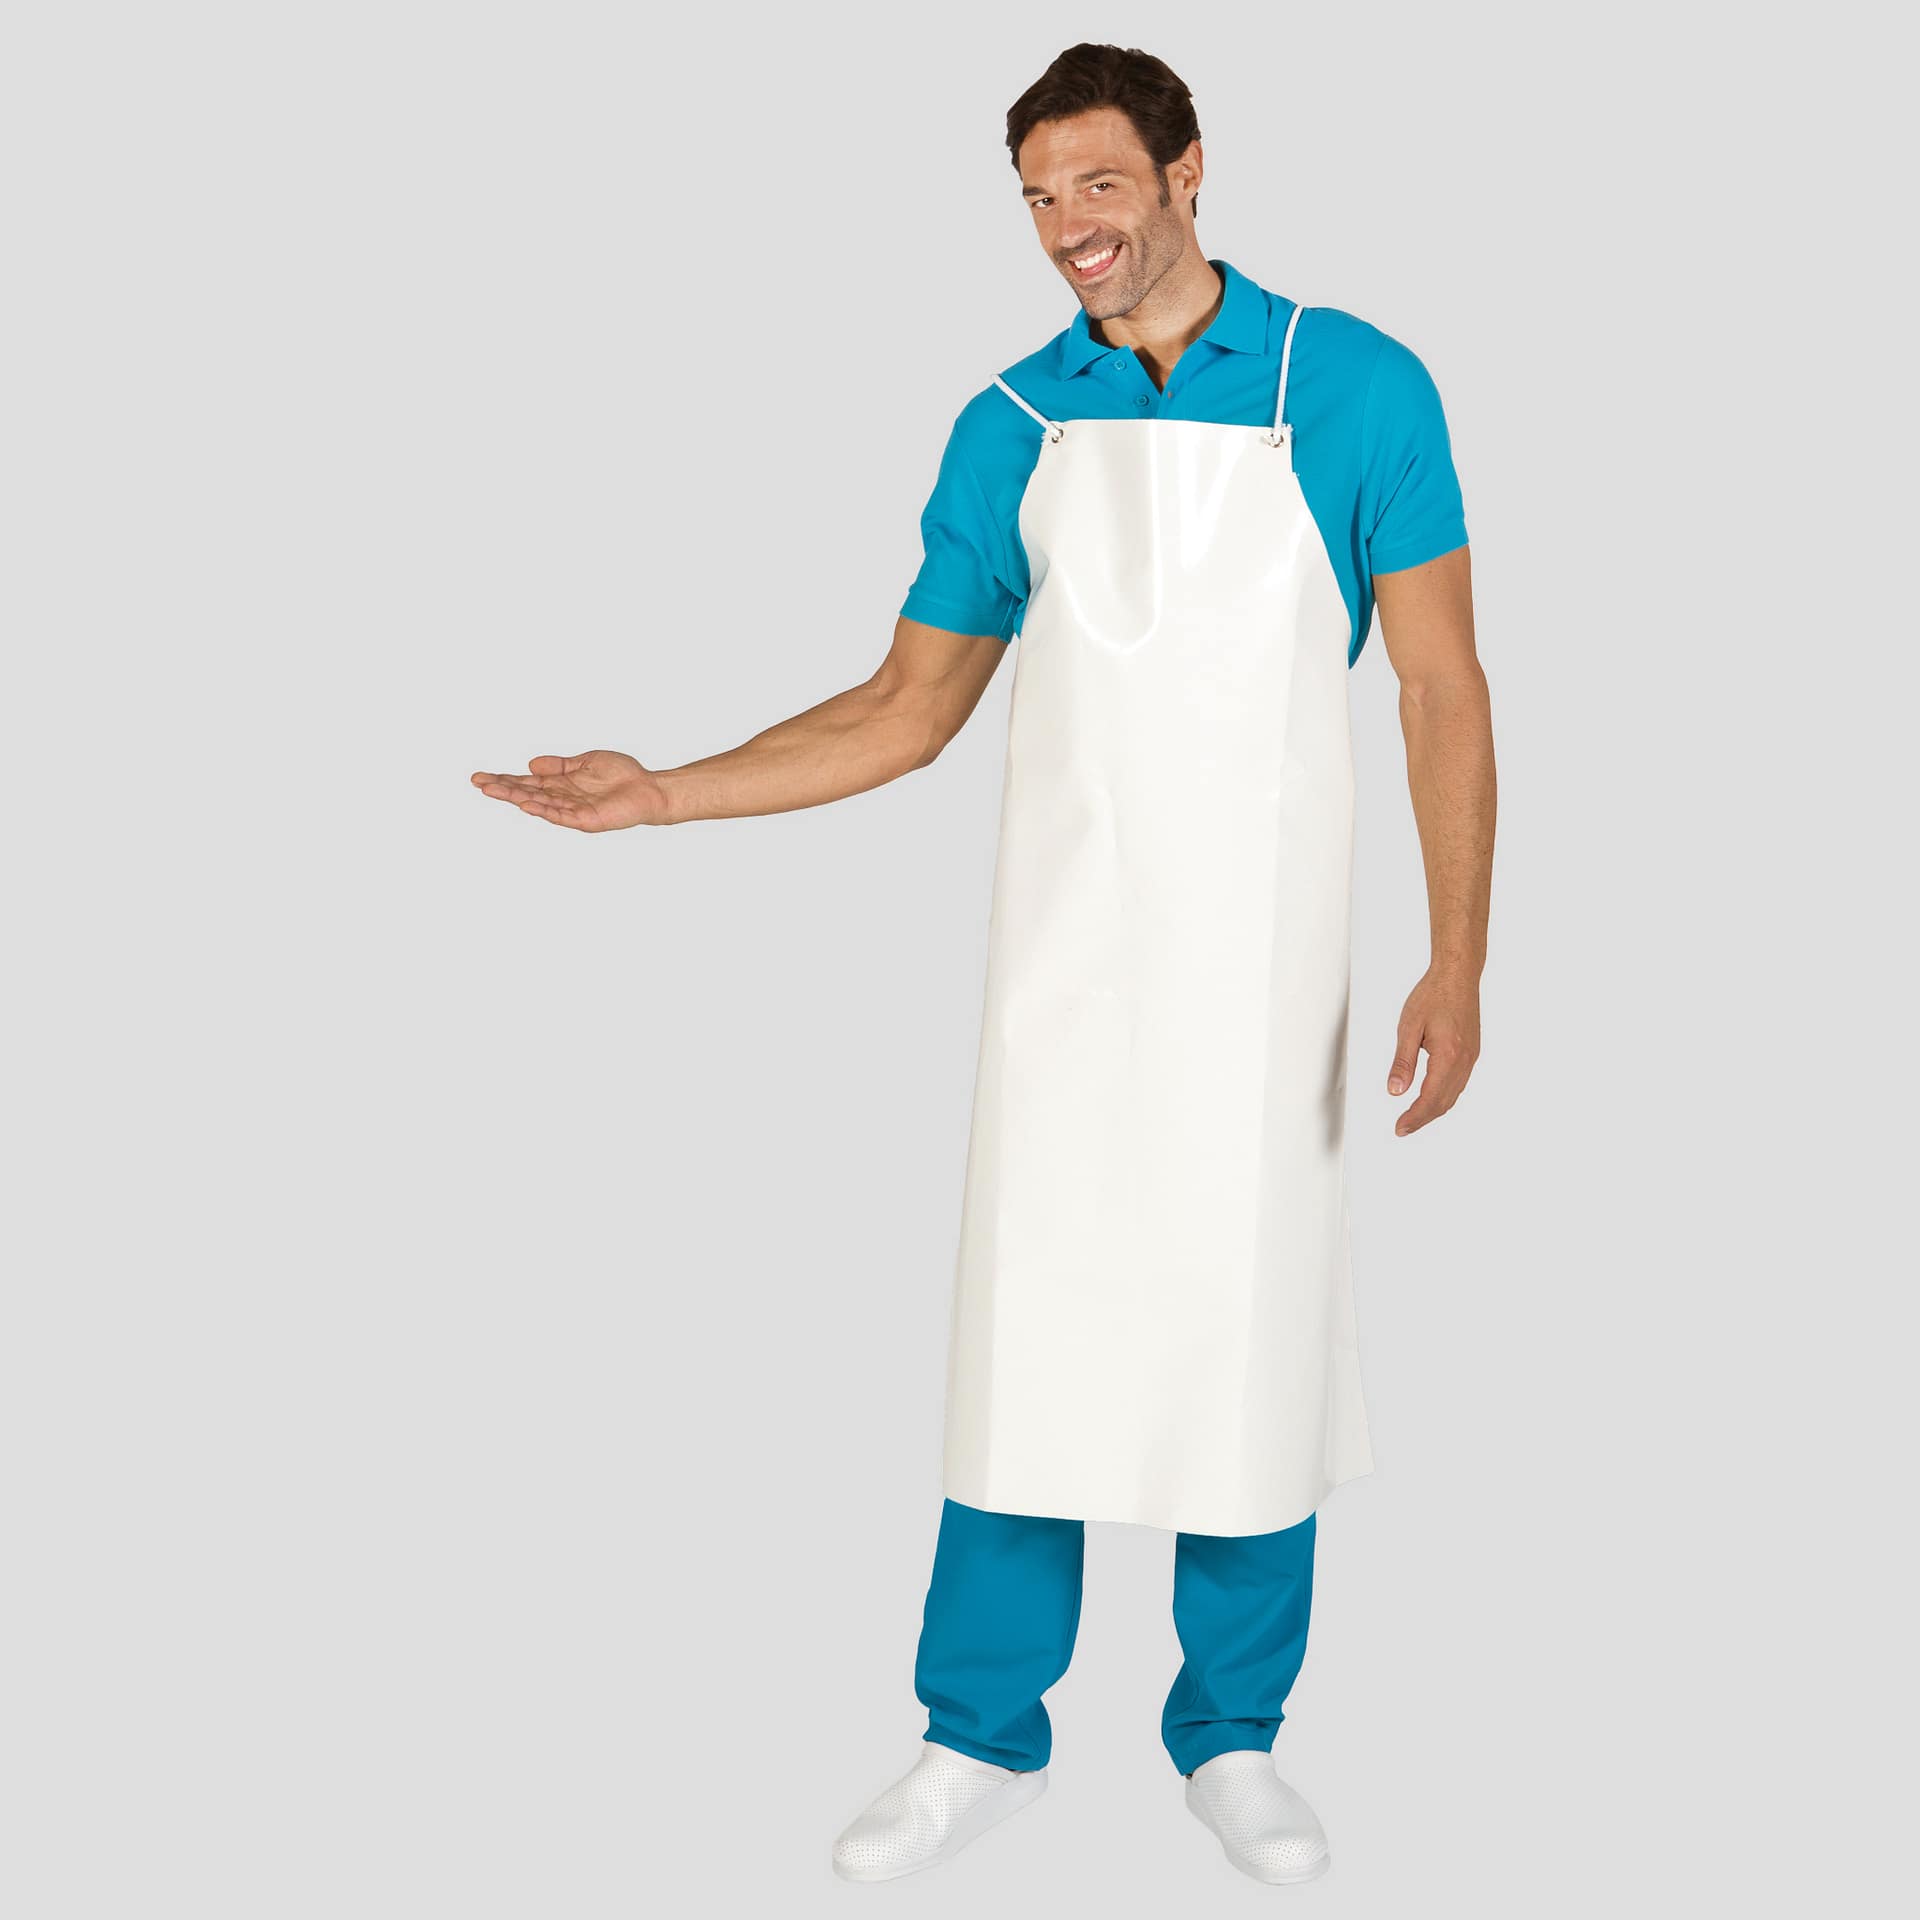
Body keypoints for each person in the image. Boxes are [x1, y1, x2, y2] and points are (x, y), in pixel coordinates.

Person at [470, 41, 1495, 1888]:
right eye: (1035, 197)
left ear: (1188, 169)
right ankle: (978, 1737)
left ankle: (1233, 1738)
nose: (1066, 227)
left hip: (1272, 979)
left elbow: (1440, 685)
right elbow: (905, 707)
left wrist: (1459, 954)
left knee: (1252, 1339)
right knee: (1033, 1347)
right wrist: (667, 791)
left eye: (1098, 183)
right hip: (1067, 973)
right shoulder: (1013, 421)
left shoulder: (1354, 385)